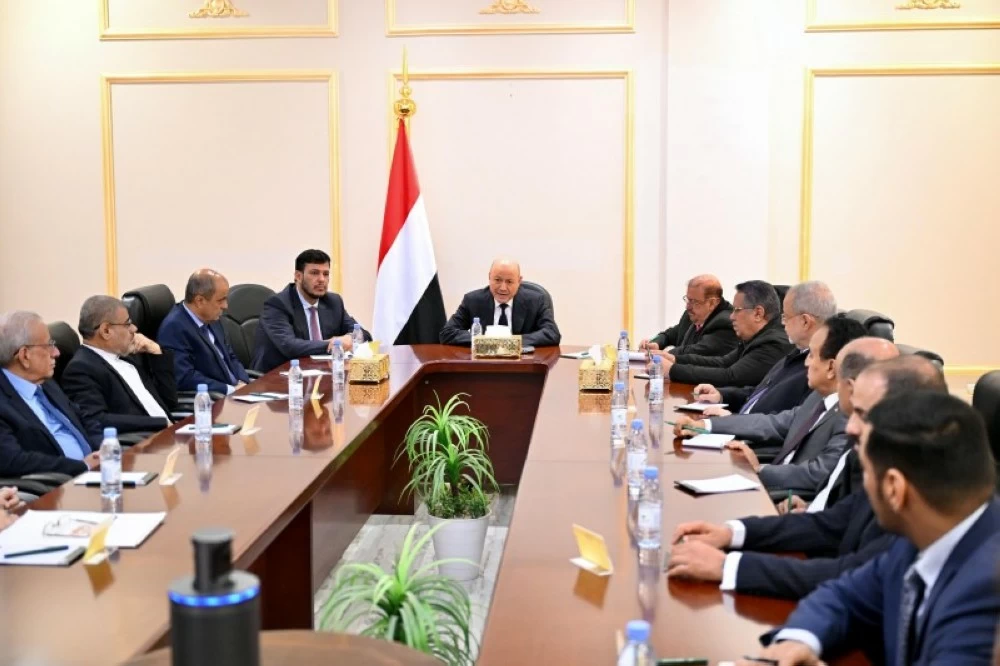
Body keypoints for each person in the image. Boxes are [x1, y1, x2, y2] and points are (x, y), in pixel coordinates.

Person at [736, 391, 999, 666]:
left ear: (894, 488)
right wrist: (798, 641)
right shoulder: (927, 532)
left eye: (867, 473)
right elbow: (843, 595)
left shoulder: (986, 592)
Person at [667, 353, 947, 602]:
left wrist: (728, 567)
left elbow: (854, 574)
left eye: (863, 414)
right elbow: (830, 524)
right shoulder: (875, 458)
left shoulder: (920, 491)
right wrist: (731, 533)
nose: (851, 427)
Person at [674, 316, 866, 500]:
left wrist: (759, 470)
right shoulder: (818, 397)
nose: (806, 362)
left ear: (831, 367)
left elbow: (819, 473)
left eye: (812, 355)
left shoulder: (850, 417)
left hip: (787, 497)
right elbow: (772, 423)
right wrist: (704, 426)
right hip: (772, 486)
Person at [691, 281, 838, 417]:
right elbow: (762, 392)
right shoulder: (798, 352)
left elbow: (788, 422)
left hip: (749, 433)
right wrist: (721, 395)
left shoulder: (818, 369)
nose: (782, 323)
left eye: (786, 317)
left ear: (805, 321)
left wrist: (732, 421)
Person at [0, 311, 101, 477]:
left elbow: (83, 418)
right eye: (49, 345)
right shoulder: (3, 402)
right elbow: (13, 461)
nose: (56, 353)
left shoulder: (45, 382)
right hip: (59, 483)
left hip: (97, 470)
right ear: (25, 355)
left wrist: (104, 448)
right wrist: (83, 466)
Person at [61, 296, 177, 435]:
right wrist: (160, 423)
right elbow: (97, 420)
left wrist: (156, 351)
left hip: (171, 433)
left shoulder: (127, 356)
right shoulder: (81, 369)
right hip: (147, 441)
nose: (134, 328)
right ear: (106, 331)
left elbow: (169, 402)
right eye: (128, 324)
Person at [253, 250, 371, 373]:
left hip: (321, 373)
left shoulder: (333, 302)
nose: (321, 279)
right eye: (314, 273)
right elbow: (290, 346)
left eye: (326, 274)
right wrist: (334, 344)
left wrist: (350, 337)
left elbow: (364, 334)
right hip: (280, 375)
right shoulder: (278, 304)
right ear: (298, 276)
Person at [661, 280, 793, 388]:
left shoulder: (773, 343)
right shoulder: (756, 336)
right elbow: (723, 362)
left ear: (758, 313)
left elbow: (730, 376)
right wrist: (676, 359)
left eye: (737, 310)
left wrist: (673, 370)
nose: (731, 316)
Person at [159, 269, 251, 394]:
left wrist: (244, 382)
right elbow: (185, 377)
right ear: (199, 301)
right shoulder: (174, 328)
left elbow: (230, 356)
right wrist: (229, 390)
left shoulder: (212, 317)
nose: (225, 306)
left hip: (237, 390)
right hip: (214, 397)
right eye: (220, 300)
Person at [439, 257, 561, 347]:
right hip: (483, 364)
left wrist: (511, 342)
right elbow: (447, 333)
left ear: (519, 281)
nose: (503, 288)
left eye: (509, 282)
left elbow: (552, 333)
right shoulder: (473, 300)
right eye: (497, 280)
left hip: (523, 364)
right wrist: (486, 341)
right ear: (489, 277)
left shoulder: (536, 300)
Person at [639, 274, 737, 357]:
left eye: (694, 301)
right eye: (688, 300)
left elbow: (697, 351)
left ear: (712, 303)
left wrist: (660, 354)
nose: (687, 307)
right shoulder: (692, 315)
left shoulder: (726, 322)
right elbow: (670, 334)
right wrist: (656, 343)